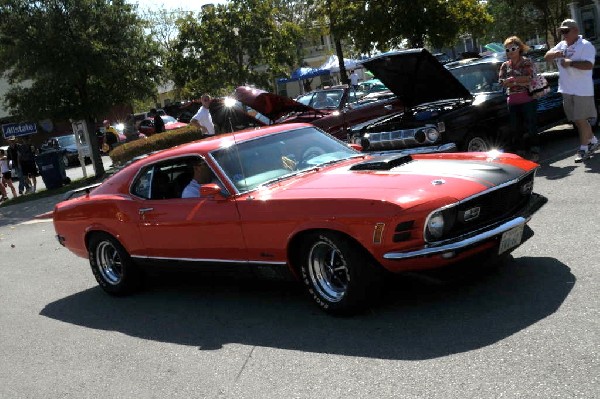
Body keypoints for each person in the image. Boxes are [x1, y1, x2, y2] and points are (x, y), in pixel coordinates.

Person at [545, 19, 599, 163]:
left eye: (566, 31)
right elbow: (546, 56)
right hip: (566, 89)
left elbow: (589, 65)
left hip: (582, 90)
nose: (563, 34)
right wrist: (556, 53)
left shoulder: (586, 45)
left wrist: (571, 63)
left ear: (576, 31)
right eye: (562, 31)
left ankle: (584, 148)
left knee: (581, 119)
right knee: (576, 120)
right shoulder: (561, 45)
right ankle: (593, 140)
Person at [498, 36, 540, 162]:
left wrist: (513, 80)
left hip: (528, 99)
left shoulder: (526, 62)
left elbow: (529, 77)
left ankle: (535, 150)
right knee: (516, 129)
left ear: (519, 48)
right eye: (507, 49)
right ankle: (520, 152)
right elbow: (501, 82)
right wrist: (516, 81)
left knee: (531, 126)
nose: (510, 51)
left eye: (513, 48)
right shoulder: (505, 65)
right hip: (513, 101)